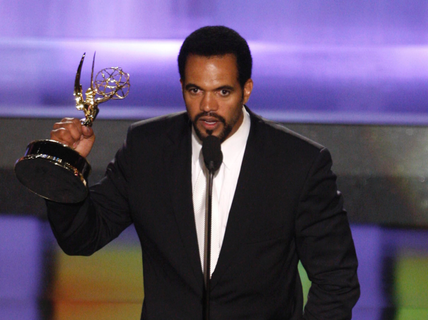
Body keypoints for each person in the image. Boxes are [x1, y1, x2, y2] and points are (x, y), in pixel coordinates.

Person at [45, 26, 360, 319]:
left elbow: (336, 280)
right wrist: (64, 168)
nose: (208, 106)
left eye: (223, 92)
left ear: (246, 90)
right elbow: (82, 238)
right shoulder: (147, 149)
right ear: (181, 86)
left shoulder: (299, 163)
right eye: (195, 90)